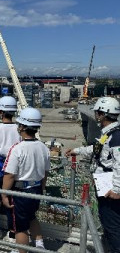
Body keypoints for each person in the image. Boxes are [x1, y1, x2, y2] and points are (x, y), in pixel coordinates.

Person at [66, 97, 120, 252]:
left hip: (110, 190)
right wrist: (76, 150)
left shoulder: (116, 137)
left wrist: (117, 189)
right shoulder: (108, 134)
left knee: (112, 225)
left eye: (97, 112)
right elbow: (95, 148)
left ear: (103, 114)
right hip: (105, 187)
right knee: (107, 222)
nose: (96, 115)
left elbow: (119, 164)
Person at [1, 107, 50, 253]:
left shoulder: (17, 149)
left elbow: (9, 175)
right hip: (35, 189)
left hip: (20, 192)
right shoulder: (43, 147)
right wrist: (42, 188)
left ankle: (22, 250)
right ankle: (40, 244)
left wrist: (4, 194)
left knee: (20, 228)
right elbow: (45, 172)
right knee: (31, 217)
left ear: (22, 127)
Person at [0, 96, 21, 242]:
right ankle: (12, 232)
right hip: (14, 167)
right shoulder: (19, 129)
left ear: (0, 112)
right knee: (11, 198)